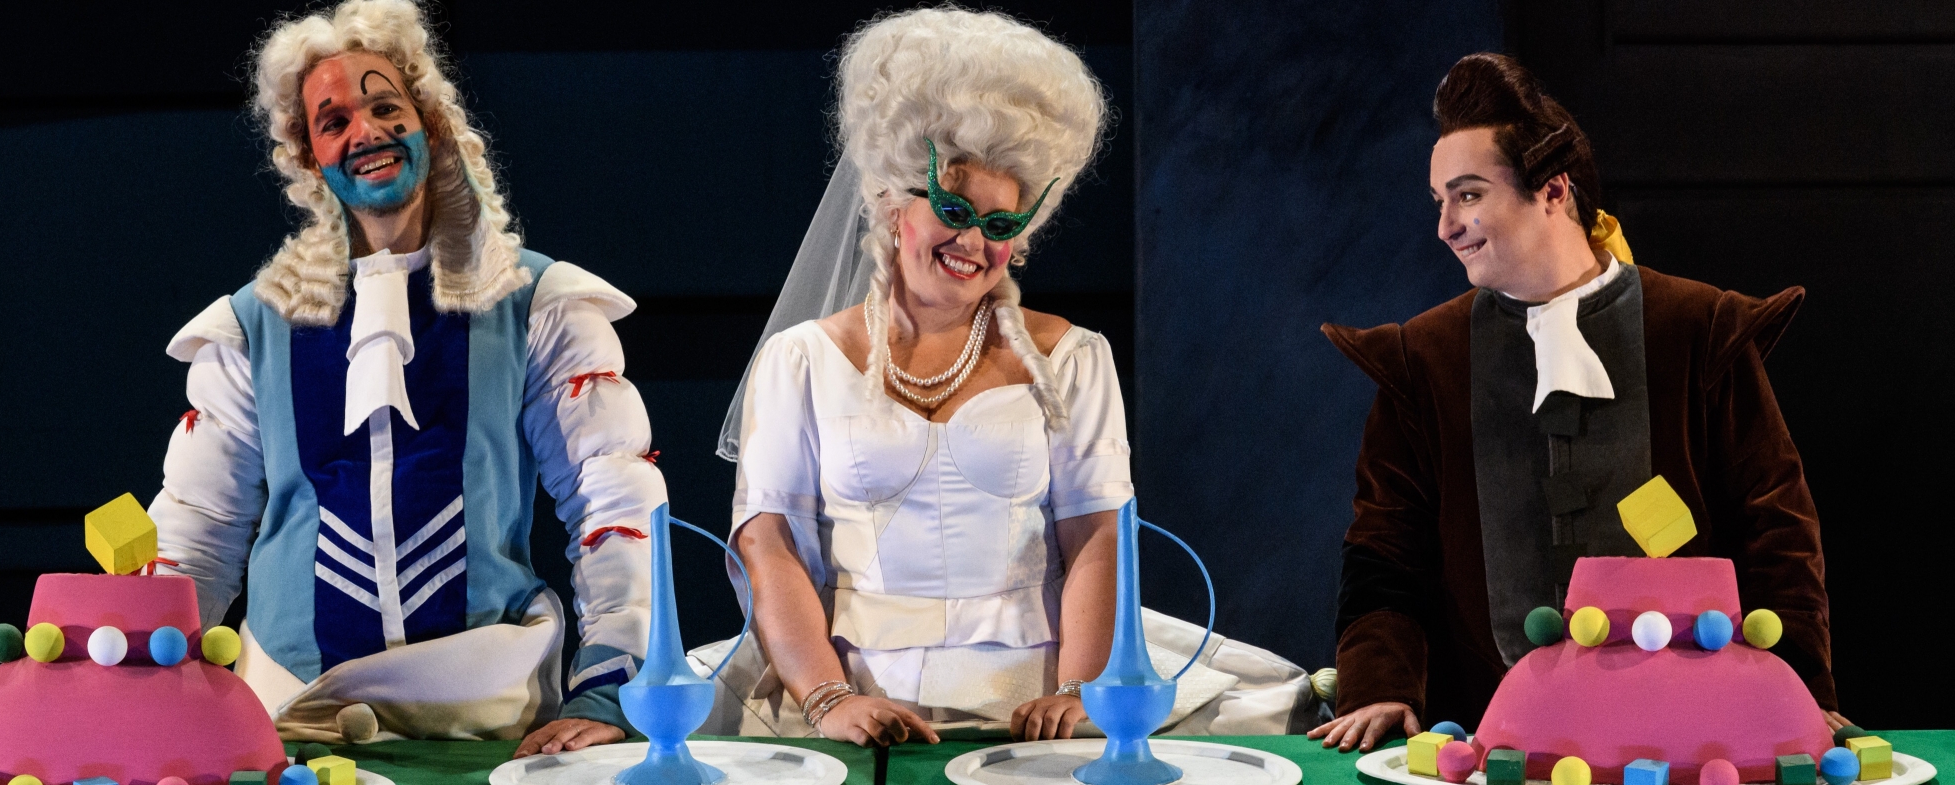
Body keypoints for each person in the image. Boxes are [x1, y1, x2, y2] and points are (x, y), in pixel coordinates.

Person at [703, 8, 1318, 748]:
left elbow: (1095, 536)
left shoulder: (1072, 359)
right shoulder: (800, 361)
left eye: (1001, 225)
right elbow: (767, 542)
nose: (972, 242)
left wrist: (1079, 691)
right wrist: (828, 698)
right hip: (855, 695)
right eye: (955, 208)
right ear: (893, 200)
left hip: (1036, 700)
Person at [146, 0, 662, 758]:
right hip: (292, 713)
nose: (366, 131)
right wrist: (137, 675)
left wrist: (610, 683)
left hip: (488, 709)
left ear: (432, 123)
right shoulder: (252, 326)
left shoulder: (537, 302)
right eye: (334, 120)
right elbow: (198, 536)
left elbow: (612, 499)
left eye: (386, 105)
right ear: (308, 155)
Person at [1309, 53, 1842, 753]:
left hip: (1689, 737)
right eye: (1439, 200)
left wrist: (1798, 691)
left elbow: (1775, 529)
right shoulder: (1425, 359)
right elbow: (1385, 552)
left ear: (1554, 189)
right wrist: (1378, 682)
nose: (1445, 225)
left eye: (1467, 195)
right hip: (1484, 741)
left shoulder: (1695, 330)